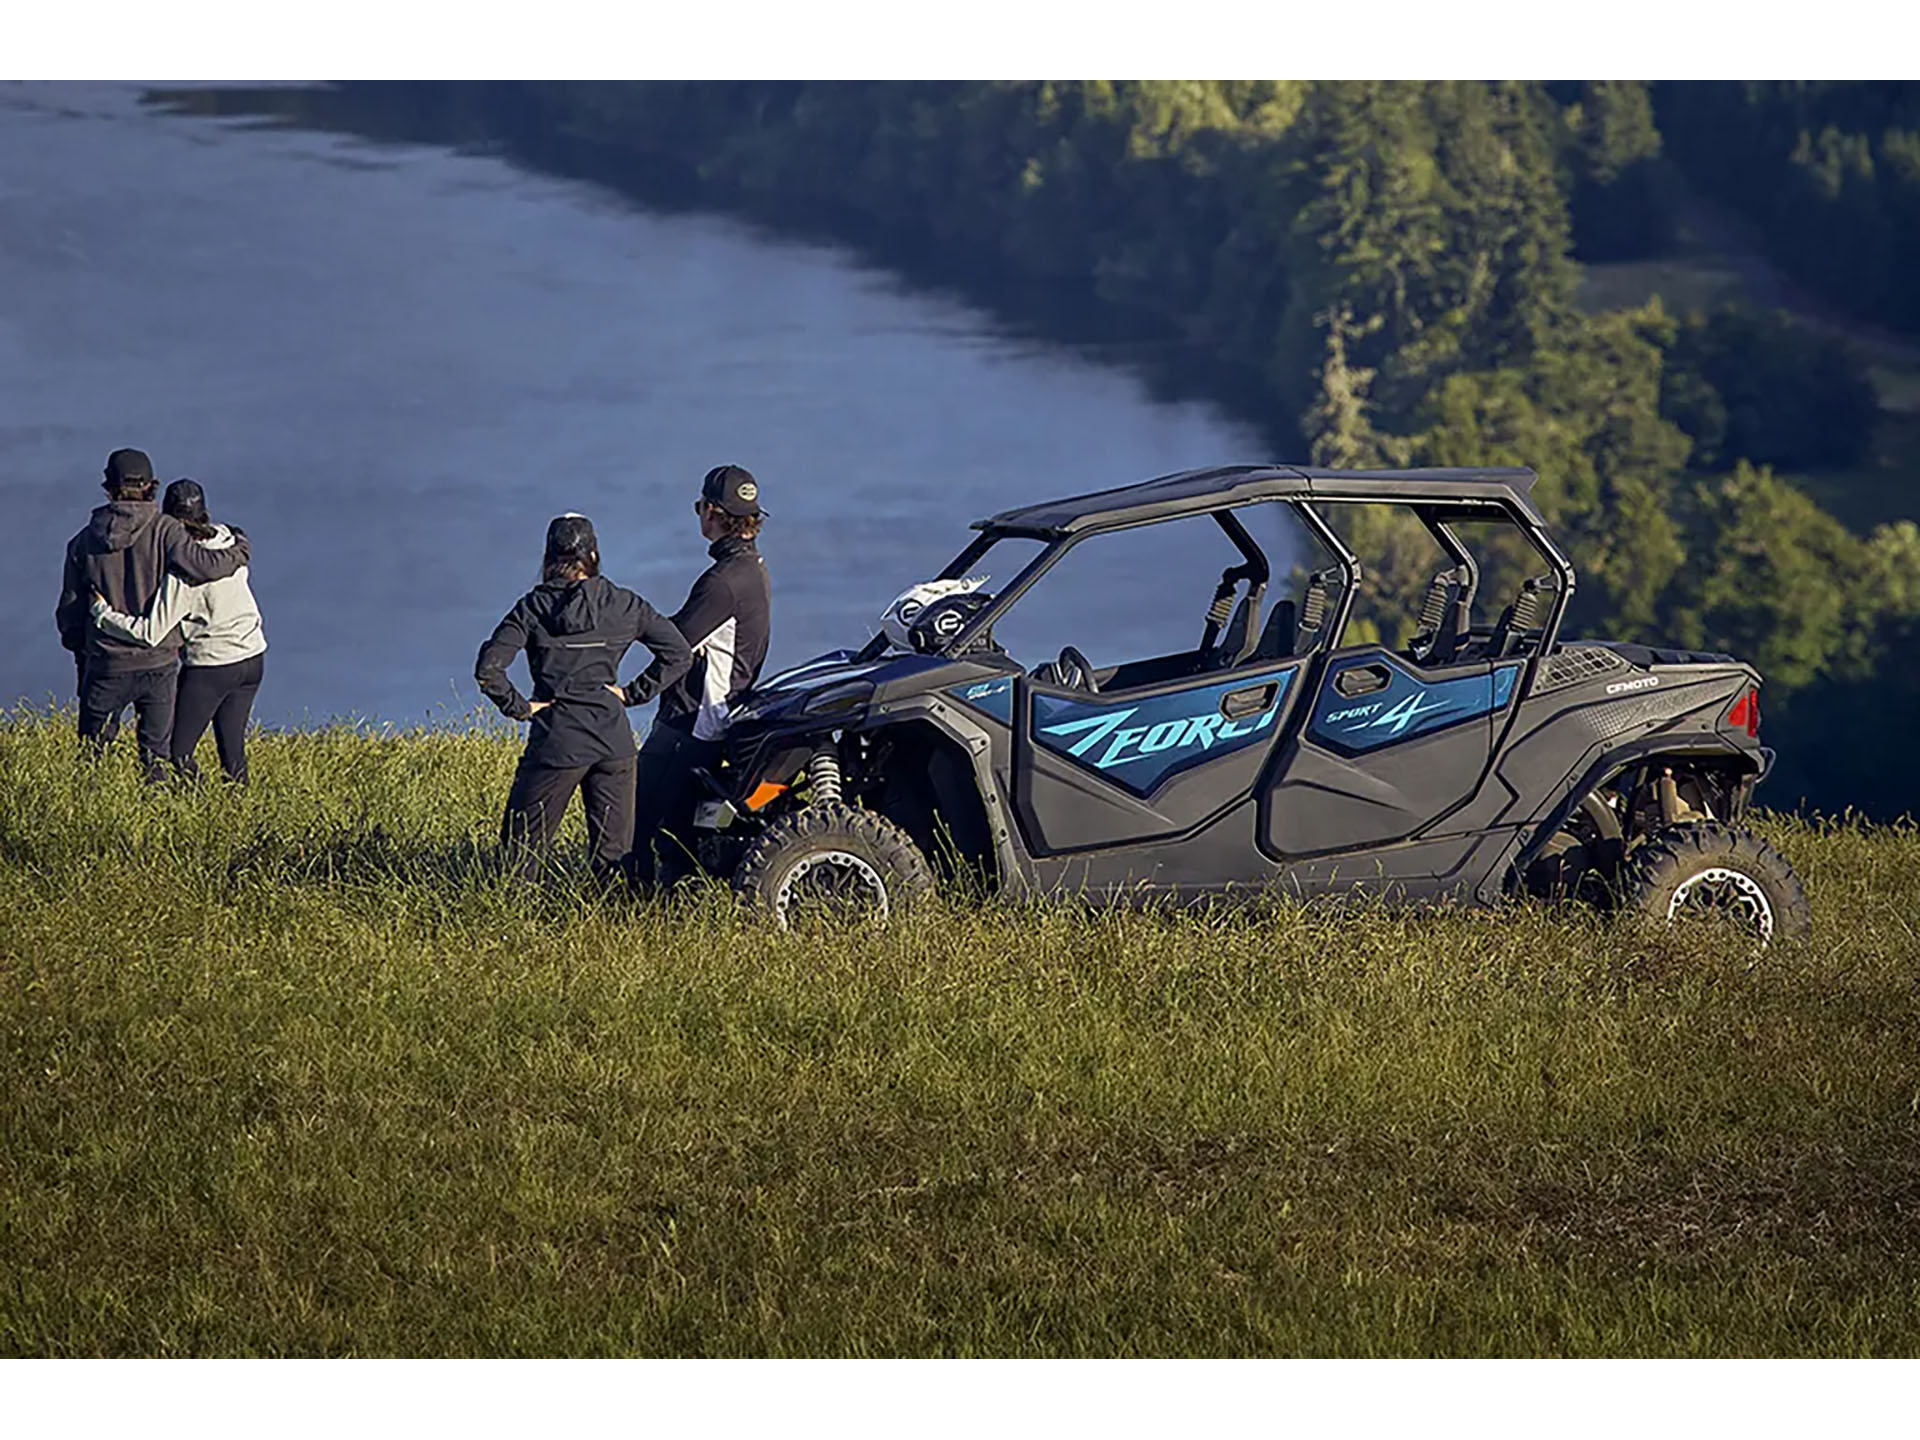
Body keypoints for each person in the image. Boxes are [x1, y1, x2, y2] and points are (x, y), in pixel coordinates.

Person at [476, 514, 693, 885]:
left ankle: (510, 928)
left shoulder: (533, 608)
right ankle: (618, 928)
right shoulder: (624, 604)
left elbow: (488, 669)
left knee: (520, 857)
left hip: (557, 742)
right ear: (593, 555)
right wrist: (631, 694)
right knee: (615, 861)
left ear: (548, 557)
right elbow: (679, 653)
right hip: (614, 743)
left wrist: (521, 708)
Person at [54, 448, 251, 782]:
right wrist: (240, 549)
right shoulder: (166, 531)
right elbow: (205, 566)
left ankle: (91, 824)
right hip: (158, 666)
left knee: (91, 761)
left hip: (105, 666)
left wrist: (82, 657)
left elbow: (70, 617)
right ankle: (155, 825)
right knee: (156, 762)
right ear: (151, 487)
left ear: (108, 486)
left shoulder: (82, 543)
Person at [627, 463, 773, 893]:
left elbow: (674, 643)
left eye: (698, 507)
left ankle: (625, 910)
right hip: (718, 714)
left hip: (693, 721)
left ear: (712, 511)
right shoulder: (753, 569)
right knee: (679, 829)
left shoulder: (724, 581)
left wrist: (623, 619)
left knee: (636, 822)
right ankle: (678, 903)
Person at [88, 479, 267, 784]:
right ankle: (243, 814)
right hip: (253, 657)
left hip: (213, 666)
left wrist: (102, 614)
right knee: (232, 749)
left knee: (175, 752)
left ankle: (198, 807)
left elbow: (150, 633)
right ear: (204, 511)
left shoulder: (181, 572)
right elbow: (236, 543)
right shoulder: (227, 540)